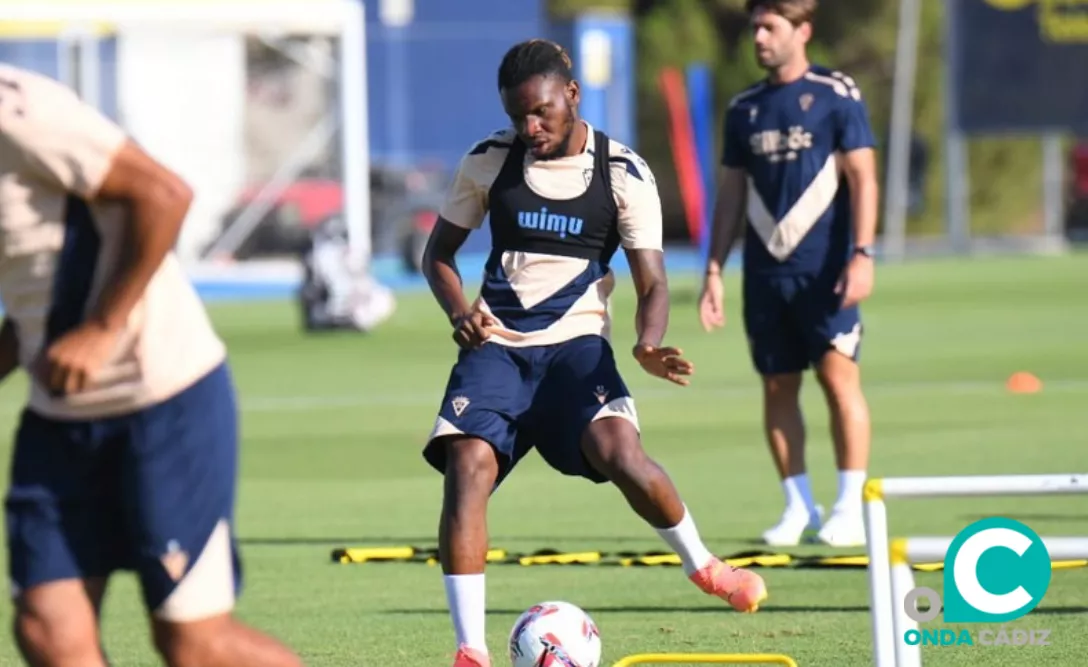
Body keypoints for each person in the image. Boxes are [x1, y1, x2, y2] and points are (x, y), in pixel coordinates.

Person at [421, 39, 768, 667]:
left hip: (576, 349)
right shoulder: (489, 160)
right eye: (517, 116)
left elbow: (652, 282)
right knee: (466, 467)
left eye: (541, 112)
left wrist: (647, 341)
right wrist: (458, 311)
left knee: (620, 453)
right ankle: (470, 650)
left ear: (572, 95)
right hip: (497, 347)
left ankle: (705, 566)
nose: (530, 128)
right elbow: (437, 255)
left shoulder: (622, 171)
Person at [0, 64, 303, 667]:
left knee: (192, 643)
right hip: (58, 414)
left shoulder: (18, 109)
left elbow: (165, 194)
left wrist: (100, 329)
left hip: (162, 397)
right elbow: (40, 286)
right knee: (46, 629)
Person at [697, 0, 880, 549]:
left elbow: (864, 178)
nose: (758, 37)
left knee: (838, 379)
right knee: (777, 385)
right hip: (764, 275)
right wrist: (714, 268)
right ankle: (798, 505)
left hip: (826, 271)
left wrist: (863, 254)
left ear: (802, 31)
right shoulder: (744, 109)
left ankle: (849, 505)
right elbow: (731, 193)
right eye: (754, 27)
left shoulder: (835, 94)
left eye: (769, 27)